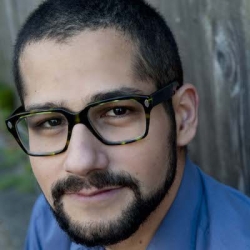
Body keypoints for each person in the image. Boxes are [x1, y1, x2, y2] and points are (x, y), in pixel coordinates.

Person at [5, 0, 250, 249]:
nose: (80, 162)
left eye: (117, 111)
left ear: (182, 117)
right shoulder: (49, 224)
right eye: (51, 122)